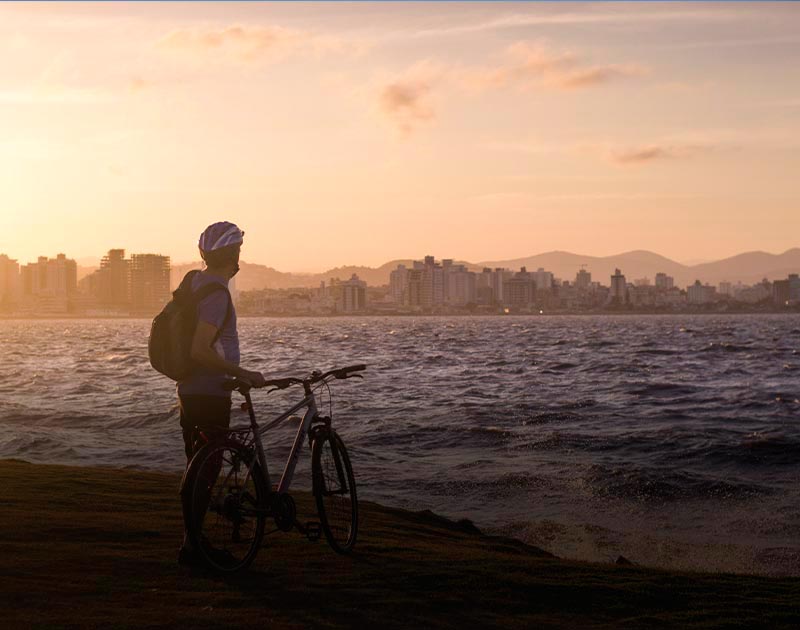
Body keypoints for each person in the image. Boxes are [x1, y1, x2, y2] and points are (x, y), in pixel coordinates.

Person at [177, 220, 266, 565]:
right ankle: (194, 548)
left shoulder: (196, 283)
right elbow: (200, 350)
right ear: (232, 254)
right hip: (209, 393)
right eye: (239, 249)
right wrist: (242, 372)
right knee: (206, 470)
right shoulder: (216, 293)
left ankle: (192, 544)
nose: (241, 256)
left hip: (189, 391)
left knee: (197, 468)